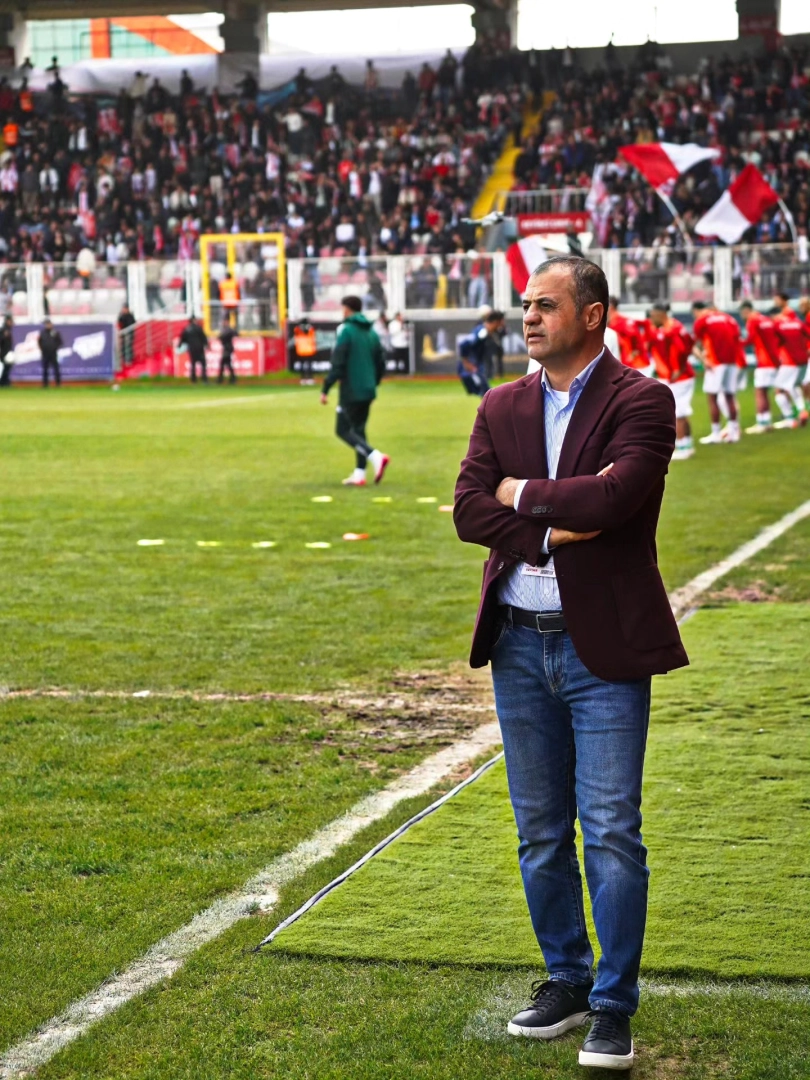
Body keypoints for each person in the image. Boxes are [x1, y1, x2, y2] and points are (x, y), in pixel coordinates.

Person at [453, 255, 688, 1072]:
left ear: (592, 315)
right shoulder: (501, 403)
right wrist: (552, 526)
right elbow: (467, 511)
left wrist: (519, 495)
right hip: (518, 643)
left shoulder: (643, 399)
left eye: (545, 304)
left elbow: (615, 501)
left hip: (604, 647)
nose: (528, 316)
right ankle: (567, 978)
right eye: (526, 304)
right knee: (540, 831)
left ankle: (613, 1007)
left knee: (612, 832)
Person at [321, 296, 389, 487]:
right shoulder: (372, 332)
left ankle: (375, 456)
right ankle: (360, 474)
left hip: (351, 390)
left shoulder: (346, 331)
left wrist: (326, 388)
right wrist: (373, 383)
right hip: (368, 389)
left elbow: (338, 361)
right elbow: (381, 363)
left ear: (347, 309)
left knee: (342, 430)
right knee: (358, 430)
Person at [647, 302, 696, 459]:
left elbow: (682, 350)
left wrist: (678, 369)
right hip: (680, 376)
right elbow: (689, 344)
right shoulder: (674, 326)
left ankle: (682, 448)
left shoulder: (671, 330)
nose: (651, 320)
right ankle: (687, 444)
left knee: (677, 413)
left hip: (678, 378)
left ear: (660, 315)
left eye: (653, 316)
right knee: (682, 412)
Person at [691, 301, 741, 444]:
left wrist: (703, 358)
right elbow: (737, 337)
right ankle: (734, 433)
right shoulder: (729, 318)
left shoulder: (703, 320)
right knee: (729, 396)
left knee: (712, 397)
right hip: (732, 361)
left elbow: (694, 342)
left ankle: (716, 434)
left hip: (715, 362)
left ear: (697, 310)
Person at [739, 301, 781, 434]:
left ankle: (762, 422)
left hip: (764, 361)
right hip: (774, 360)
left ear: (745, 311)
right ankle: (767, 421)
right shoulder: (766, 319)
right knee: (767, 391)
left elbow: (750, 338)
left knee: (760, 392)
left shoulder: (752, 320)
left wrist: (738, 344)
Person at [772, 292, 810, 429]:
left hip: (790, 360)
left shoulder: (778, 323)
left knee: (779, 389)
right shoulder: (797, 322)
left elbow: (776, 342)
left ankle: (789, 418)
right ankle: (802, 410)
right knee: (795, 385)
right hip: (802, 359)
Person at [458, 310, 501, 397]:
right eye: (500, 323)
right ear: (495, 322)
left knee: (486, 392)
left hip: (477, 366)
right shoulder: (482, 333)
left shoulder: (487, 332)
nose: (500, 326)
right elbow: (464, 344)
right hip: (471, 367)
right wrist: (466, 362)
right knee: (486, 392)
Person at [607, 297, 650, 374]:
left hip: (631, 367)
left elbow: (638, 342)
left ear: (611, 307)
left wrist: (631, 356)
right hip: (615, 365)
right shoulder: (607, 324)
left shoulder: (624, 322)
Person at [178, 315, 209, 383]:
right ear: (194, 320)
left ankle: (193, 379)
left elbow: (182, 338)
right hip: (199, 348)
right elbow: (203, 337)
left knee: (193, 363)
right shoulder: (198, 328)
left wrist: (179, 345)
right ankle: (204, 378)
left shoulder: (187, 329)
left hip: (192, 349)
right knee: (203, 363)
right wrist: (206, 345)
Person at [38, 318, 63, 388]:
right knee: (45, 369)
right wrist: (43, 348)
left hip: (53, 353)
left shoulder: (55, 332)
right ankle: (45, 384)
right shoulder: (42, 333)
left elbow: (60, 342)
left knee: (56, 368)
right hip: (45, 353)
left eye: (49, 324)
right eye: (46, 324)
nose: (48, 325)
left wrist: (54, 348)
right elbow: (39, 342)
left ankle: (58, 384)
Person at [292, 318, 317, 385]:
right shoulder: (311, 329)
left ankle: (303, 379)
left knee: (302, 366)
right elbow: (313, 336)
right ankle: (310, 378)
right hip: (309, 350)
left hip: (301, 350)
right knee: (309, 365)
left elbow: (295, 331)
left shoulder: (298, 329)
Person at [217, 318, 237, 384]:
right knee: (227, 364)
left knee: (223, 363)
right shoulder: (226, 329)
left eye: (225, 322)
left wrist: (221, 336)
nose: (223, 323)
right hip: (227, 348)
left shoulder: (228, 330)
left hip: (227, 349)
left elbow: (222, 337)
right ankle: (232, 379)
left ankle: (221, 379)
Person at [117, 303, 136, 367]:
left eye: (125, 308)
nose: (124, 310)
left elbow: (132, 324)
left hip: (129, 334)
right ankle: (124, 360)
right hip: (123, 334)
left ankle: (128, 360)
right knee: (123, 347)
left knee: (128, 347)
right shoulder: (121, 315)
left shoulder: (130, 316)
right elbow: (119, 322)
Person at [0, 314, 13, 387]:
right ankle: (3, 382)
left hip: (7, 351)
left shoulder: (8, 329)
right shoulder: (3, 330)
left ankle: (5, 381)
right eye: (9, 321)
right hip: (3, 352)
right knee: (5, 367)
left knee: (7, 367)